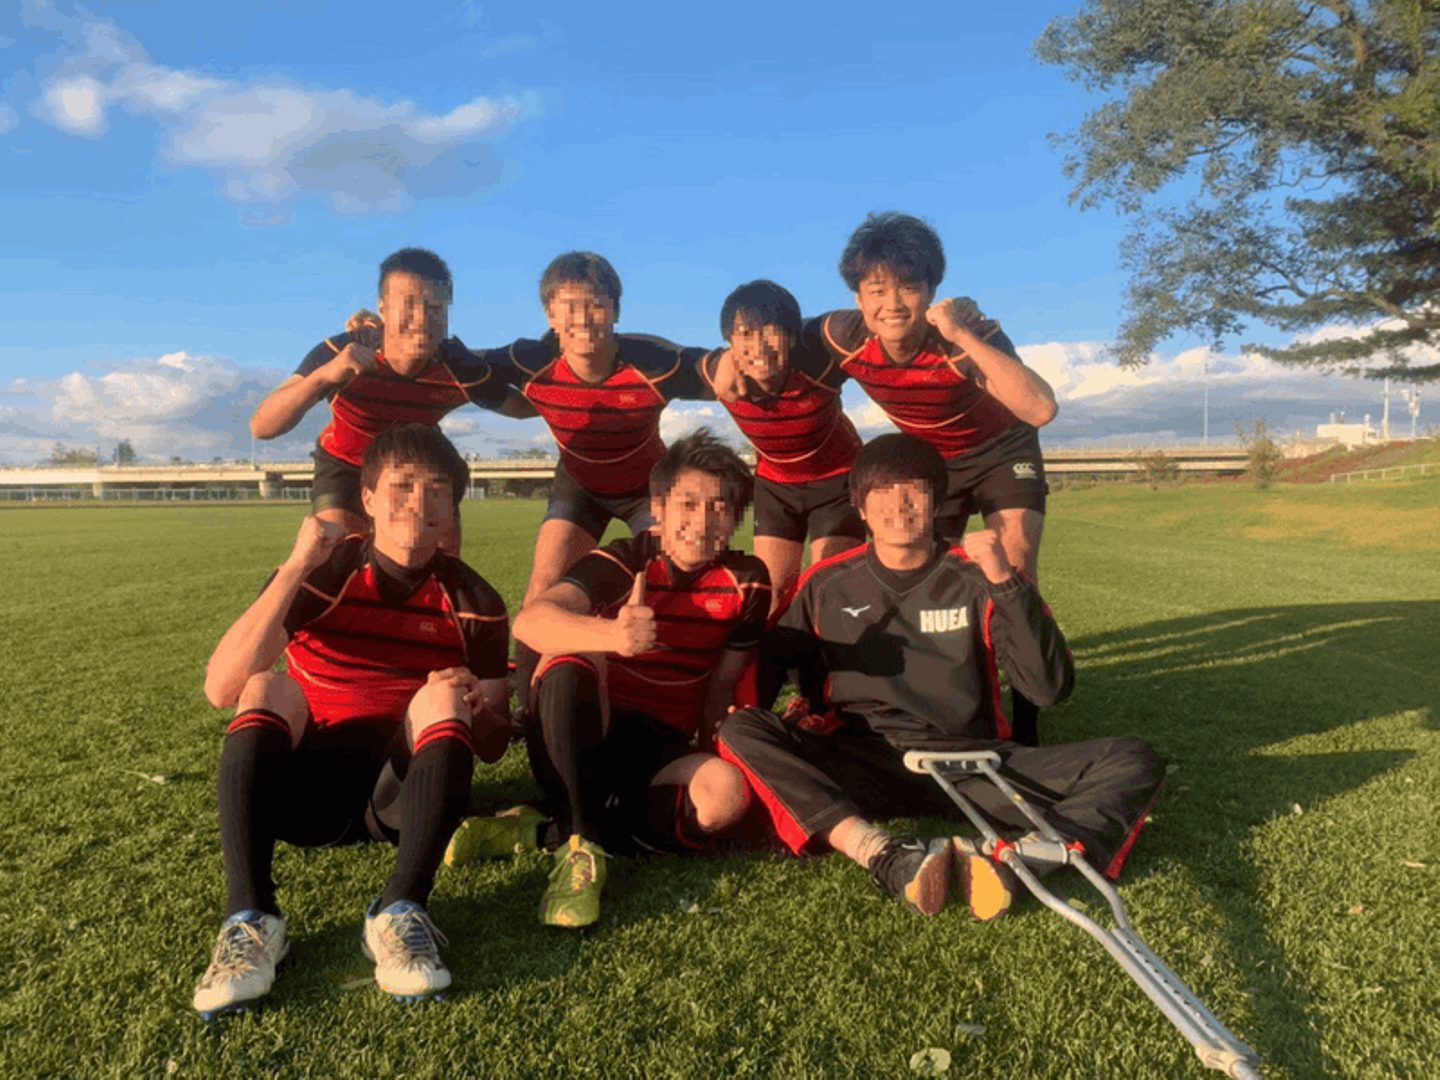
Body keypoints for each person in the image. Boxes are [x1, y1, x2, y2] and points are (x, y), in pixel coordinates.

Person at [717, 434, 1164, 920]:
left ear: (938, 501)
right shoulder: (826, 582)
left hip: (972, 764)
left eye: (914, 490)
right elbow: (769, 663)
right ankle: (880, 852)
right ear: (860, 507)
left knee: (1132, 758)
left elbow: (1048, 688)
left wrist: (1006, 581)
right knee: (741, 728)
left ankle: (1028, 861)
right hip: (866, 759)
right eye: (882, 492)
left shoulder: (978, 576)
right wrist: (772, 717)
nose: (899, 506)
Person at [192, 424, 511, 1018]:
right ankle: (251, 918)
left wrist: (480, 704)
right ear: (367, 499)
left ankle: (400, 910)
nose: (418, 503)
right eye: (402, 486)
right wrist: (294, 567)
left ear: (452, 510)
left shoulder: (475, 601)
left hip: (398, 803)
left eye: (436, 491)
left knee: (442, 698)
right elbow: (220, 688)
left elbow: (492, 745)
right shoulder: (326, 571)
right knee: (264, 685)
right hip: (305, 799)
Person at [798, 212, 1061, 746]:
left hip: (1002, 451)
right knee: (913, 570)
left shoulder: (966, 335)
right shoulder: (839, 336)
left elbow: (1040, 409)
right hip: (933, 464)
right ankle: (920, 693)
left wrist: (960, 331)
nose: (892, 303)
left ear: (932, 292)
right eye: (877, 290)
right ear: (857, 298)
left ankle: (1026, 727)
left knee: (1010, 568)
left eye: (908, 287)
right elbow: (772, 340)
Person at [498, 429, 770, 929]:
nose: (701, 521)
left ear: (736, 520)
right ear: (658, 508)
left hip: (662, 747)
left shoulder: (748, 581)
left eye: (720, 508)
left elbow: (721, 685)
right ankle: (579, 847)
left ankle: (543, 831)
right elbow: (530, 622)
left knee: (725, 795)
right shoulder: (626, 559)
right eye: (688, 504)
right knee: (571, 649)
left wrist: (716, 748)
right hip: (586, 732)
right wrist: (612, 635)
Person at [249, 247, 526, 552]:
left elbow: (523, 408)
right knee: (336, 554)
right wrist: (324, 376)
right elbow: (262, 427)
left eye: (434, 307)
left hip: (418, 469)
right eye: (407, 304)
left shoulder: (459, 368)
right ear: (383, 309)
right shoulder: (343, 351)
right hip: (346, 466)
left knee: (440, 564)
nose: (421, 318)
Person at [699, 280, 865, 610]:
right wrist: (722, 361)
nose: (759, 345)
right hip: (776, 489)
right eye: (745, 334)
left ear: (791, 337)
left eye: (771, 332)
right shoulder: (721, 377)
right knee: (771, 596)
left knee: (831, 592)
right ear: (729, 341)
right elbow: (670, 360)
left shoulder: (819, 360)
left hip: (839, 482)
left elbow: (877, 326)